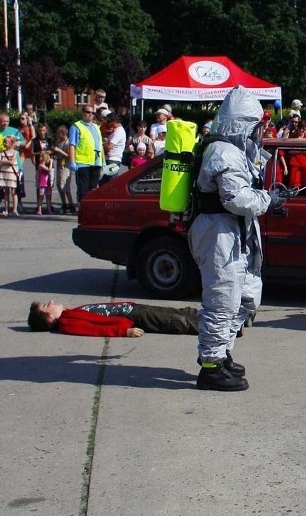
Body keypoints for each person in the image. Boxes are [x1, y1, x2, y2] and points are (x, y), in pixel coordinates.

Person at [188, 85, 283, 392]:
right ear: (243, 124)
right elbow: (234, 198)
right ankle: (211, 365)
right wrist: (269, 201)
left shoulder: (234, 150)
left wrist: (268, 196)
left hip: (231, 232)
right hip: (218, 234)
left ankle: (222, 351)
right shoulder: (223, 151)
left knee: (246, 296)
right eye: (257, 126)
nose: (261, 132)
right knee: (222, 299)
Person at [28, 299, 198, 338]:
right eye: (45, 305)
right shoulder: (67, 323)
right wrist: (124, 331)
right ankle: (210, 326)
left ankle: (209, 316)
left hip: (132, 309)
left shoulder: (69, 313)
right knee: (175, 320)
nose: (50, 301)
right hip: (132, 316)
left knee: (176, 312)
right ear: (49, 318)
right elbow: (95, 329)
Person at [68, 105, 103, 203]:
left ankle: (90, 210)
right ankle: (82, 209)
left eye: (92, 113)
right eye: (88, 112)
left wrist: (102, 162)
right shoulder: (76, 126)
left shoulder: (96, 127)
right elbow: (72, 145)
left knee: (93, 190)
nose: (90, 114)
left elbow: (100, 145)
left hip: (96, 163)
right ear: (83, 113)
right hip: (82, 163)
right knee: (83, 190)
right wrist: (72, 161)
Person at [52, 125, 75, 214]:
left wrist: (59, 151)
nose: (58, 135)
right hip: (59, 164)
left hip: (66, 166)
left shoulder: (68, 143)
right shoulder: (58, 141)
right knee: (58, 185)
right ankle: (64, 203)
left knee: (65, 186)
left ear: (63, 134)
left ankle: (71, 204)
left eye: (59, 134)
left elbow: (69, 156)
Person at [101, 113, 126, 184]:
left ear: (114, 121)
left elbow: (108, 147)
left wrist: (103, 143)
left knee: (112, 183)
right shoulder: (115, 131)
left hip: (113, 160)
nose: (107, 124)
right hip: (109, 159)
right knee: (103, 184)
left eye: (109, 122)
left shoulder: (119, 131)